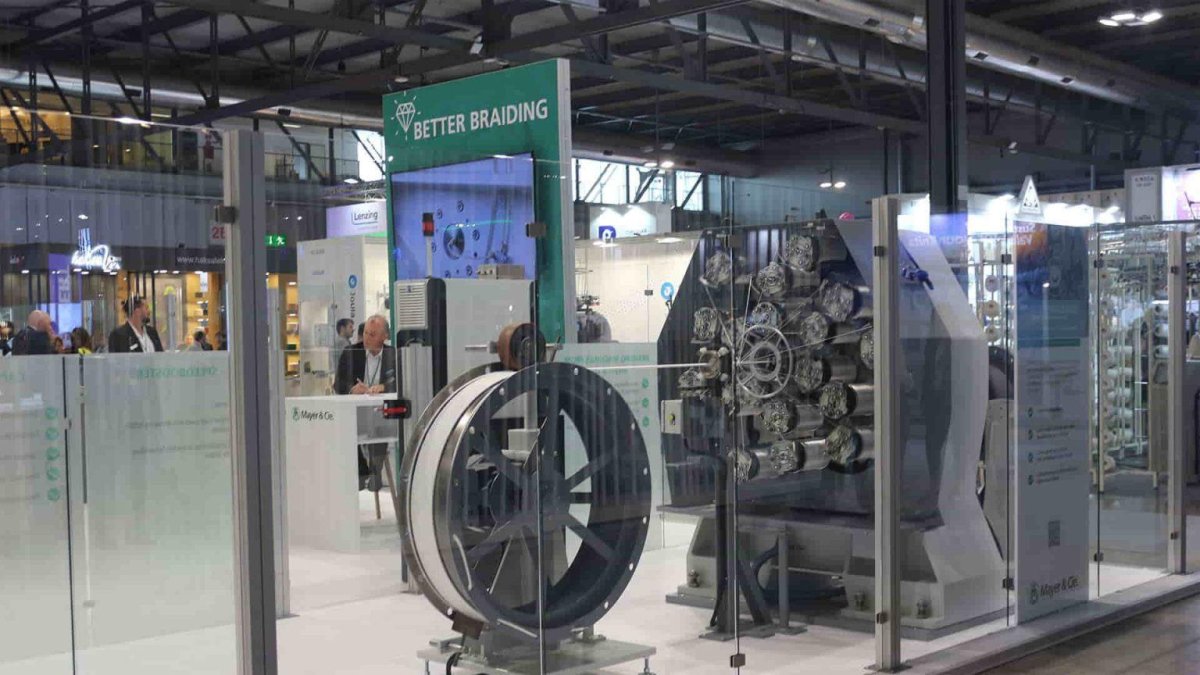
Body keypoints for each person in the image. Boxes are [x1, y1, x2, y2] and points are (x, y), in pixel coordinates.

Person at [334, 314, 397, 490]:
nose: (367, 338)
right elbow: (338, 384)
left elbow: (401, 381)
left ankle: (375, 472)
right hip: (355, 413)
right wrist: (352, 390)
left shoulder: (393, 354)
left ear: (385, 336)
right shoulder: (351, 352)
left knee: (380, 425)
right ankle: (363, 472)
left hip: (380, 413)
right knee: (346, 428)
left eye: (372, 334)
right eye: (366, 333)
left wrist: (384, 387)